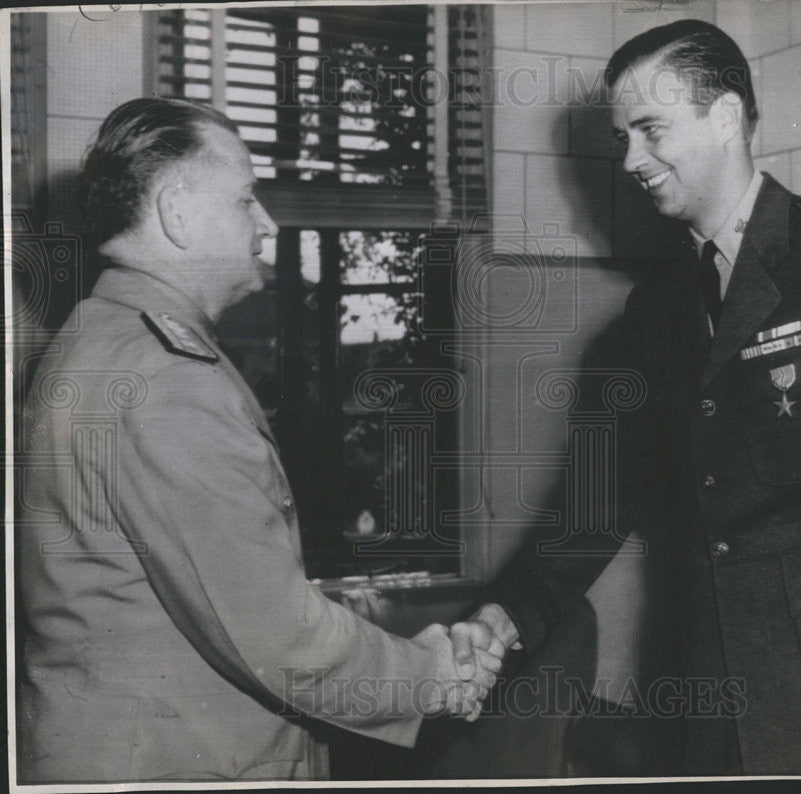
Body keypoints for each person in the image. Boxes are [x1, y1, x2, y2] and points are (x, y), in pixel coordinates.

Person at [460, 20, 801, 775]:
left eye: (650, 130)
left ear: (729, 116)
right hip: (718, 710)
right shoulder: (657, 310)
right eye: (623, 138)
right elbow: (601, 500)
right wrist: (503, 615)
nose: (632, 161)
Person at [16, 97, 503, 783]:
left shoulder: (96, 341)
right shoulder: (166, 380)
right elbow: (278, 636)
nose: (266, 223)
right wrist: (433, 676)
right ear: (177, 210)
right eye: (245, 199)